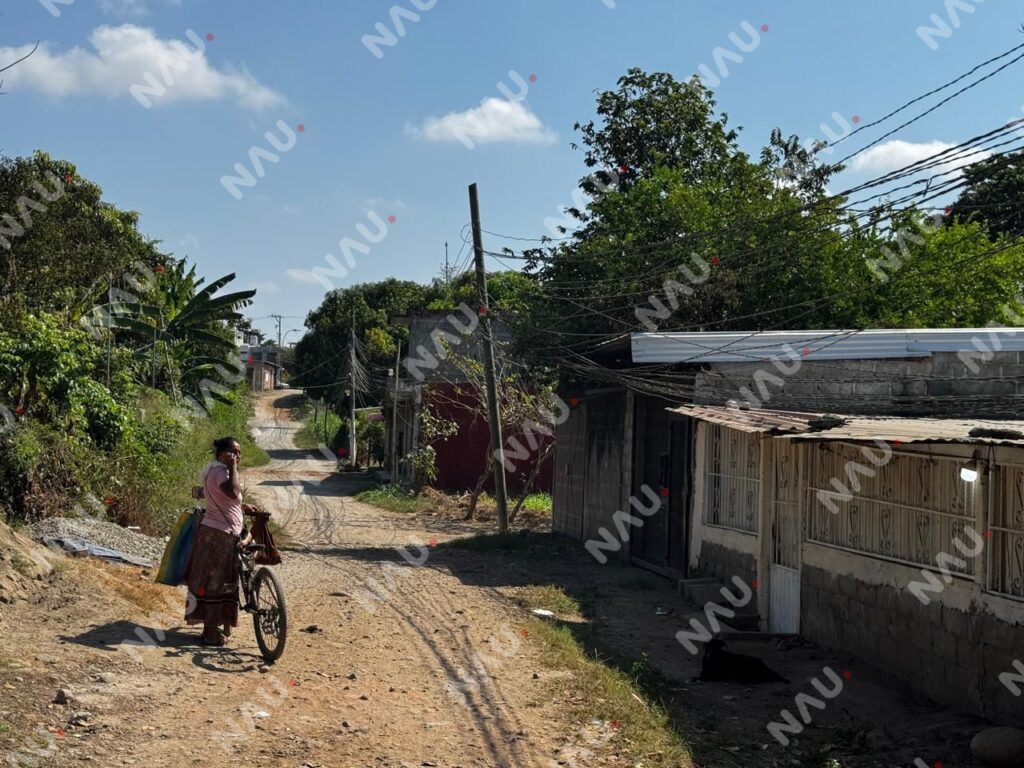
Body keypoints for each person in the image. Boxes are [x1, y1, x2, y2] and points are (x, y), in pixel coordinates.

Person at [186, 436, 253, 646]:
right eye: (233, 452)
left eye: (239, 453)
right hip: (220, 535)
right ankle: (211, 632)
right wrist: (233, 467)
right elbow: (232, 492)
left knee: (213, 581)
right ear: (221, 455)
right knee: (217, 582)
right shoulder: (222, 472)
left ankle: (211, 628)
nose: (237, 456)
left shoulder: (215, 471)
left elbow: (222, 498)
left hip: (216, 531)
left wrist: (242, 506)